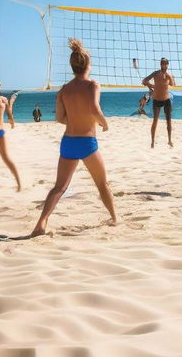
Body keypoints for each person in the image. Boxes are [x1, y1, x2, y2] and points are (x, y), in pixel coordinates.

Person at [32, 39, 118, 236]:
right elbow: (95, 109)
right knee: (102, 184)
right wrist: (103, 123)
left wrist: (76, 118)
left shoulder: (64, 89)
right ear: (88, 65)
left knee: (59, 187)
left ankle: (41, 222)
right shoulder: (93, 85)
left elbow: (60, 118)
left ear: (73, 67)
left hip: (68, 142)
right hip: (87, 143)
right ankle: (114, 218)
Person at [142, 57, 176, 147]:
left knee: (168, 121)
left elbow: (173, 84)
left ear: (167, 65)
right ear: (160, 64)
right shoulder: (155, 73)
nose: (163, 65)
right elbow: (144, 81)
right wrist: (151, 86)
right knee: (155, 120)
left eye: (165, 63)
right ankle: (152, 142)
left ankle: (169, 141)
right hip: (157, 99)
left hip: (166, 100)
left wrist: (170, 77)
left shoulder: (169, 75)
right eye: (162, 63)